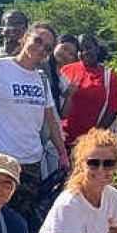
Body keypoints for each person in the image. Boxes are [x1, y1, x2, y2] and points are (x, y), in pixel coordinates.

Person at [0, 22, 68, 225]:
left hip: (31, 162)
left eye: (48, 48)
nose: (41, 49)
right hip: (0, 158)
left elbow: (51, 120)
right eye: (38, 41)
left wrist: (63, 153)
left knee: (21, 220)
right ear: (25, 38)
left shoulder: (41, 80)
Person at [60, 33, 117, 150]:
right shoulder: (66, 70)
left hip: (91, 143)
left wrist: (93, 137)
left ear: (97, 49)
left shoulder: (109, 76)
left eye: (88, 48)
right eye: (80, 50)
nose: (84, 53)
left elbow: (113, 110)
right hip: (63, 141)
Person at [39, 31, 76, 178]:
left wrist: (69, 96)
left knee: (53, 178)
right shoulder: (41, 67)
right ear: (55, 45)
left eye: (71, 54)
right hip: (39, 135)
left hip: (54, 136)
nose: (66, 54)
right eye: (64, 48)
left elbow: (63, 114)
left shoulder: (63, 79)